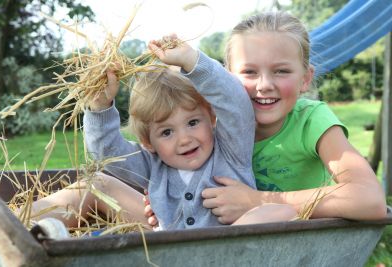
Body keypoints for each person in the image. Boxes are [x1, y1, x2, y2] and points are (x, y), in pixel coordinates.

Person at [29, 35, 297, 232]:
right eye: (167, 131)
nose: (184, 138)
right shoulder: (152, 165)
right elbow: (106, 152)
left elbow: (236, 104)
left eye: (193, 122)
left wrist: (193, 62)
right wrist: (99, 107)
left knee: (280, 211)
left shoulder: (230, 151)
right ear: (148, 142)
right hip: (167, 249)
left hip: (226, 250)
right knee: (94, 181)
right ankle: (19, 228)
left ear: (211, 117)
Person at [144, 11, 387, 227]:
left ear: (305, 78)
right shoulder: (213, 130)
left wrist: (256, 200)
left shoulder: (311, 121)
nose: (265, 85)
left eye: (281, 71)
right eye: (249, 72)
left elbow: (370, 200)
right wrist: (166, 201)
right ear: (227, 78)